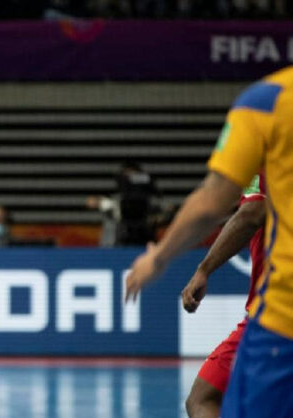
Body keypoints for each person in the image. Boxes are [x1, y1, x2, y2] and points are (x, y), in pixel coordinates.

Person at [125, 66, 293, 417]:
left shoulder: (269, 103)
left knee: (203, 399)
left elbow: (236, 207)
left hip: (283, 318)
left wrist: (161, 259)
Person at [182, 174, 266, 418]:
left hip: (275, 312)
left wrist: (204, 269)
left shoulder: (266, 160)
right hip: (267, 312)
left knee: (203, 398)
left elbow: (252, 213)